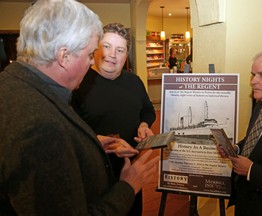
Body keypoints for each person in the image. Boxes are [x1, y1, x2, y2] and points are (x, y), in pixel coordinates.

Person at [0, 1, 159, 215]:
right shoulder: (38, 125)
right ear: (64, 56)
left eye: (119, 50)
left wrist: (90, 142)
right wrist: (128, 186)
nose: (93, 61)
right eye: (91, 54)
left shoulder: (12, 85)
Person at [71, 22, 156, 216]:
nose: (112, 54)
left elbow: (148, 110)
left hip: (131, 172)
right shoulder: (78, 83)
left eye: (120, 50)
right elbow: (71, 132)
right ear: (96, 48)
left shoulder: (134, 81)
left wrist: (144, 124)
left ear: (126, 56)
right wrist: (109, 144)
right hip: (95, 176)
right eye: (107, 46)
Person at [217, 49, 262, 216]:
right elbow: (258, 140)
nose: (253, 81)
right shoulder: (260, 107)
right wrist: (236, 148)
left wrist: (252, 170)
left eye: (261, 75)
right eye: (253, 74)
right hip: (246, 202)